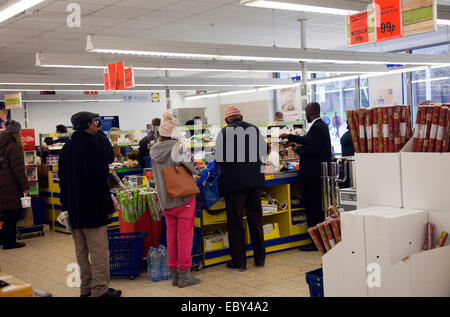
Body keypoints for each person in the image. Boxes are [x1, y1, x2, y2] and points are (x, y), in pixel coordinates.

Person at [58, 111, 121, 297]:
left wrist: (66, 207)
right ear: (89, 124)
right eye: (95, 121)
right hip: (93, 208)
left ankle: (85, 288)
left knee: (81, 251)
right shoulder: (93, 145)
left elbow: (62, 181)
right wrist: (107, 208)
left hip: (74, 209)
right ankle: (100, 289)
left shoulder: (67, 148)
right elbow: (99, 180)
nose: (96, 124)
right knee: (99, 250)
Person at [150, 112, 201, 288]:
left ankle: (174, 274)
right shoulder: (178, 147)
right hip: (182, 198)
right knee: (185, 237)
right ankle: (184, 276)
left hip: (165, 200)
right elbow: (194, 168)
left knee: (171, 237)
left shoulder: (153, 149)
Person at [215, 106, 267, 271]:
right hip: (254, 182)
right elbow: (264, 151)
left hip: (234, 184)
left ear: (227, 120)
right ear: (241, 116)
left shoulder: (224, 133)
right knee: (256, 220)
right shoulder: (253, 129)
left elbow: (219, 159)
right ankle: (260, 258)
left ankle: (239, 262)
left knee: (236, 222)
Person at [281, 102, 332, 251]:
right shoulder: (320, 126)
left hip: (312, 175)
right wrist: (291, 136)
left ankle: (315, 242)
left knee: (313, 209)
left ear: (310, 112)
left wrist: (297, 150)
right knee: (315, 208)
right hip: (317, 175)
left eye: (306, 112)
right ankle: (318, 241)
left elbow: (312, 149)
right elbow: (309, 141)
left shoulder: (316, 127)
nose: (306, 115)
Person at [0, 120, 30, 250]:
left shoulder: (2, 145)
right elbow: (18, 170)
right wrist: (25, 187)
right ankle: (9, 242)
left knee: (7, 215)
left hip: (3, 185)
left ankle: (5, 241)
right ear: (17, 132)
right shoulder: (14, 146)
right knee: (12, 216)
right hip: (11, 187)